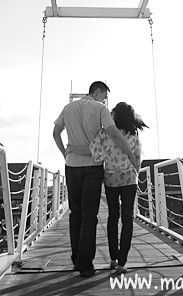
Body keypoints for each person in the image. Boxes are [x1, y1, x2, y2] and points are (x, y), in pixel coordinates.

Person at [52, 81, 139, 277]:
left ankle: (76, 259)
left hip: (71, 165)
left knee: (75, 214)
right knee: (89, 216)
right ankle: (85, 265)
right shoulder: (99, 109)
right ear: (98, 92)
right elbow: (113, 134)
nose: (105, 101)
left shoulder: (67, 108)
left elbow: (55, 133)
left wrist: (65, 152)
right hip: (92, 167)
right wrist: (131, 156)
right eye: (104, 96)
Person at [100, 102, 147, 274]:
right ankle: (122, 262)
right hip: (129, 179)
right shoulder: (133, 134)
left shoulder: (107, 133)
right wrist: (135, 172)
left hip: (111, 179)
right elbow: (137, 158)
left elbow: (98, 154)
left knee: (113, 217)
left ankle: (112, 258)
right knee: (127, 219)